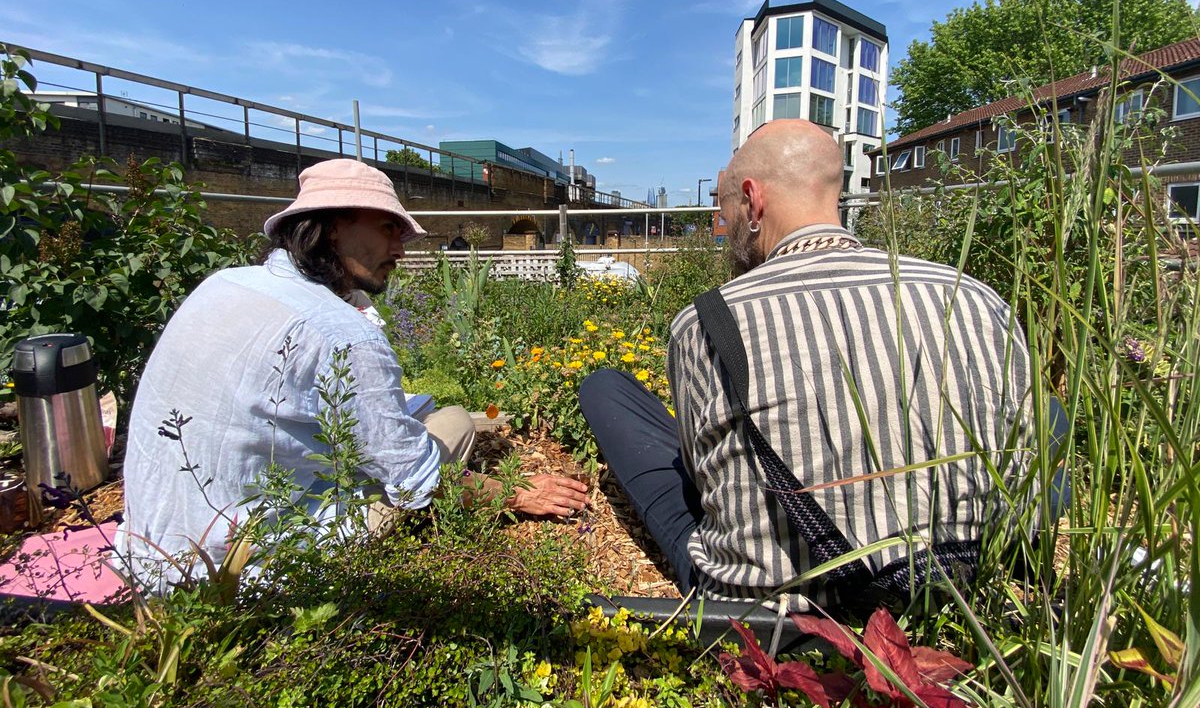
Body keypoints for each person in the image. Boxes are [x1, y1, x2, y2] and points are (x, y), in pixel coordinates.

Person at [580, 120, 1040, 611]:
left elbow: (699, 478)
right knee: (1048, 414)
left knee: (605, 388)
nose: (726, 224)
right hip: (961, 581)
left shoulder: (706, 322)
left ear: (753, 200)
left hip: (775, 608)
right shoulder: (972, 296)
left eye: (726, 210)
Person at [117, 158, 587, 588]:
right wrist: (517, 493)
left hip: (152, 550)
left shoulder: (224, 283)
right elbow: (417, 480)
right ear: (333, 226)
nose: (400, 250)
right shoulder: (343, 334)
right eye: (388, 229)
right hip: (241, 571)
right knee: (455, 424)